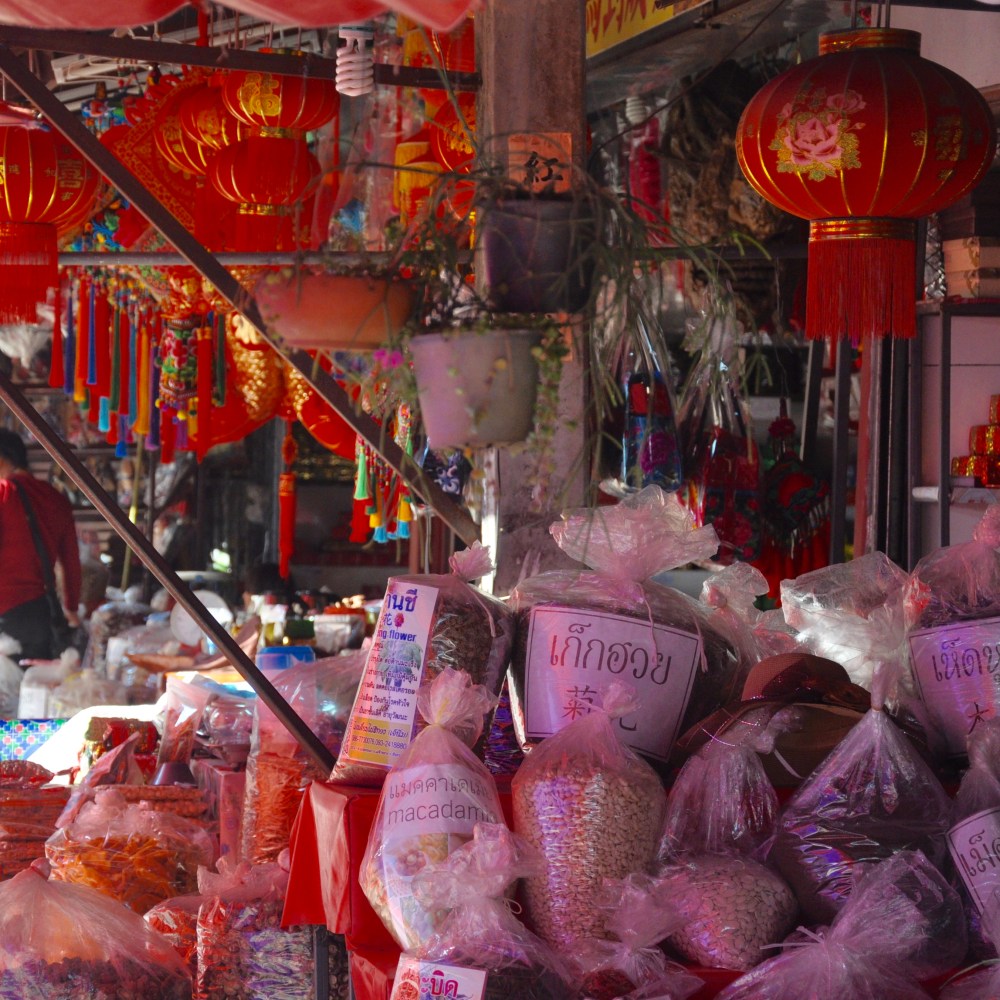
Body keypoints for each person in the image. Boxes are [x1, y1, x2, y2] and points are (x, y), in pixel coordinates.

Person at [0, 429, 82, 661]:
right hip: (40, 613)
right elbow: (71, 562)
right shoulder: (56, 498)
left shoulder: (4, 493)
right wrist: (71, 607)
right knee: (35, 681)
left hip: (5, 612)